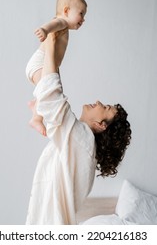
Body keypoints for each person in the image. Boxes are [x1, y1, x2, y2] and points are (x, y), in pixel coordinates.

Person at [25, 32, 132, 225]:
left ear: (101, 125)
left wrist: (51, 42)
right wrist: (52, 47)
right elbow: (53, 97)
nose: (99, 102)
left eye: (105, 107)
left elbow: (53, 97)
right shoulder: (79, 142)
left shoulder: (83, 142)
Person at [26, 0, 87, 136]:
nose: (83, 19)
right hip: (40, 63)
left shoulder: (65, 26)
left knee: (53, 91)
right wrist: (44, 30)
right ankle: (36, 117)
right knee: (50, 91)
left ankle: (36, 109)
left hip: (50, 65)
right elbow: (54, 24)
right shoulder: (62, 22)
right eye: (81, 14)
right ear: (66, 10)